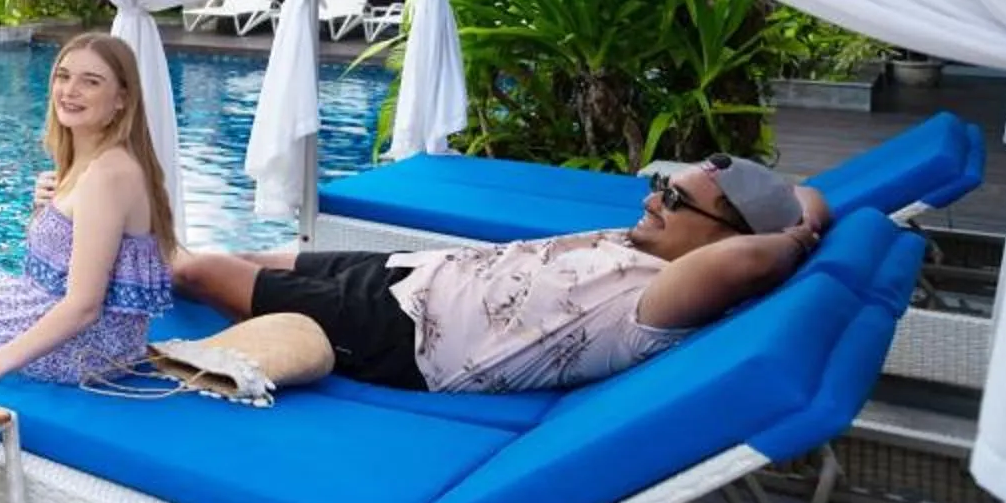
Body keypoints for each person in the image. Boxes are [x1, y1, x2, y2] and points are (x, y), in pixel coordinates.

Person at [168, 155, 832, 395]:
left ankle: (89, 248)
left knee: (198, 271)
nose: (652, 200)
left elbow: (752, 257)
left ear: (730, 236)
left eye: (676, 200)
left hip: (400, 338)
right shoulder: (655, 247)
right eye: (664, 186)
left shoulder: (655, 302)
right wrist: (801, 215)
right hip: (411, 275)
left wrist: (794, 238)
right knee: (243, 257)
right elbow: (812, 197)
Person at [0, 32, 178, 387]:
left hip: (85, 349)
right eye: (63, 76)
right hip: (66, 320)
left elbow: (84, 306)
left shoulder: (108, 176)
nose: (70, 90)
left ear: (122, 99)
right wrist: (46, 209)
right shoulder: (87, 159)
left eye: (90, 82)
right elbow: (60, 260)